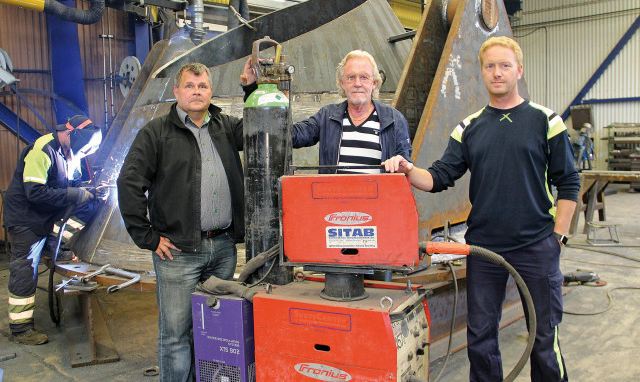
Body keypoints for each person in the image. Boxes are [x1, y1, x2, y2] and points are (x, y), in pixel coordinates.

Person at [384, 36, 579, 381]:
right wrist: (408, 169)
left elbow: (569, 184)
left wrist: (558, 238)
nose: (497, 73)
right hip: (485, 248)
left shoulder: (546, 121)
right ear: (482, 73)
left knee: (544, 338)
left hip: (536, 246)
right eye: (490, 66)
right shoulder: (469, 128)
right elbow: (439, 177)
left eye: (505, 65)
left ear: (519, 70)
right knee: (481, 339)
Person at [117, 61, 252, 382]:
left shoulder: (225, 126)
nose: (196, 91)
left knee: (214, 331)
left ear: (211, 91)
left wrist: (252, 89)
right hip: (177, 253)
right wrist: (148, 237)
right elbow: (129, 183)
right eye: (190, 86)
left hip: (222, 248)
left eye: (202, 86)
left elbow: (260, 129)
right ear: (177, 92)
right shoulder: (156, 133)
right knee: (176, 334)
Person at [3, 115, 104, 345]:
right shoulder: (43, 150)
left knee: (91, 205)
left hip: (48, 216)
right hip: (25, 217)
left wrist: (91, 190)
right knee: (25, 268)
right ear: (70, 135)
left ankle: (54, 242)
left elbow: (74, 185)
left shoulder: (73, 153)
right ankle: (21, 329)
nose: (82, 154)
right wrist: (73, 194)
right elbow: (35, 193)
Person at [242, 50, 412, 173]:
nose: (357, 83)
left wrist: (401, 164)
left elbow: (406, 168)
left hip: (376, 211)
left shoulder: (394, 120)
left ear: (374, 83)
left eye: (364, 77)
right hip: (334, 210)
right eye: (351, 77)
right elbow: (289, 136)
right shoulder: (327, 116)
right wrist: (262, 91)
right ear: (341, 83)